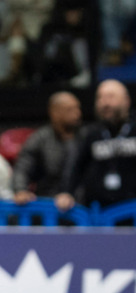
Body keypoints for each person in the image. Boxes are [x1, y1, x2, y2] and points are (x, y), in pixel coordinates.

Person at [56, 79, 136, 210]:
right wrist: (66, 192)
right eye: (100, 98)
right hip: (98, 213)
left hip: (132, 212)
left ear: (126, 101)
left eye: (111, 97)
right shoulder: (90, 134)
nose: (105, 103)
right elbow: (76, 167)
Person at [13, 91, 81, 204]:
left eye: (78, 108)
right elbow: (22, 167)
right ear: (54, 113)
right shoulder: (41, 138)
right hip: (49, 202)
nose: (77, 114)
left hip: (80, 204)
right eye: (70, 110)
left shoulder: (86, 137)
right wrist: (20, 190)